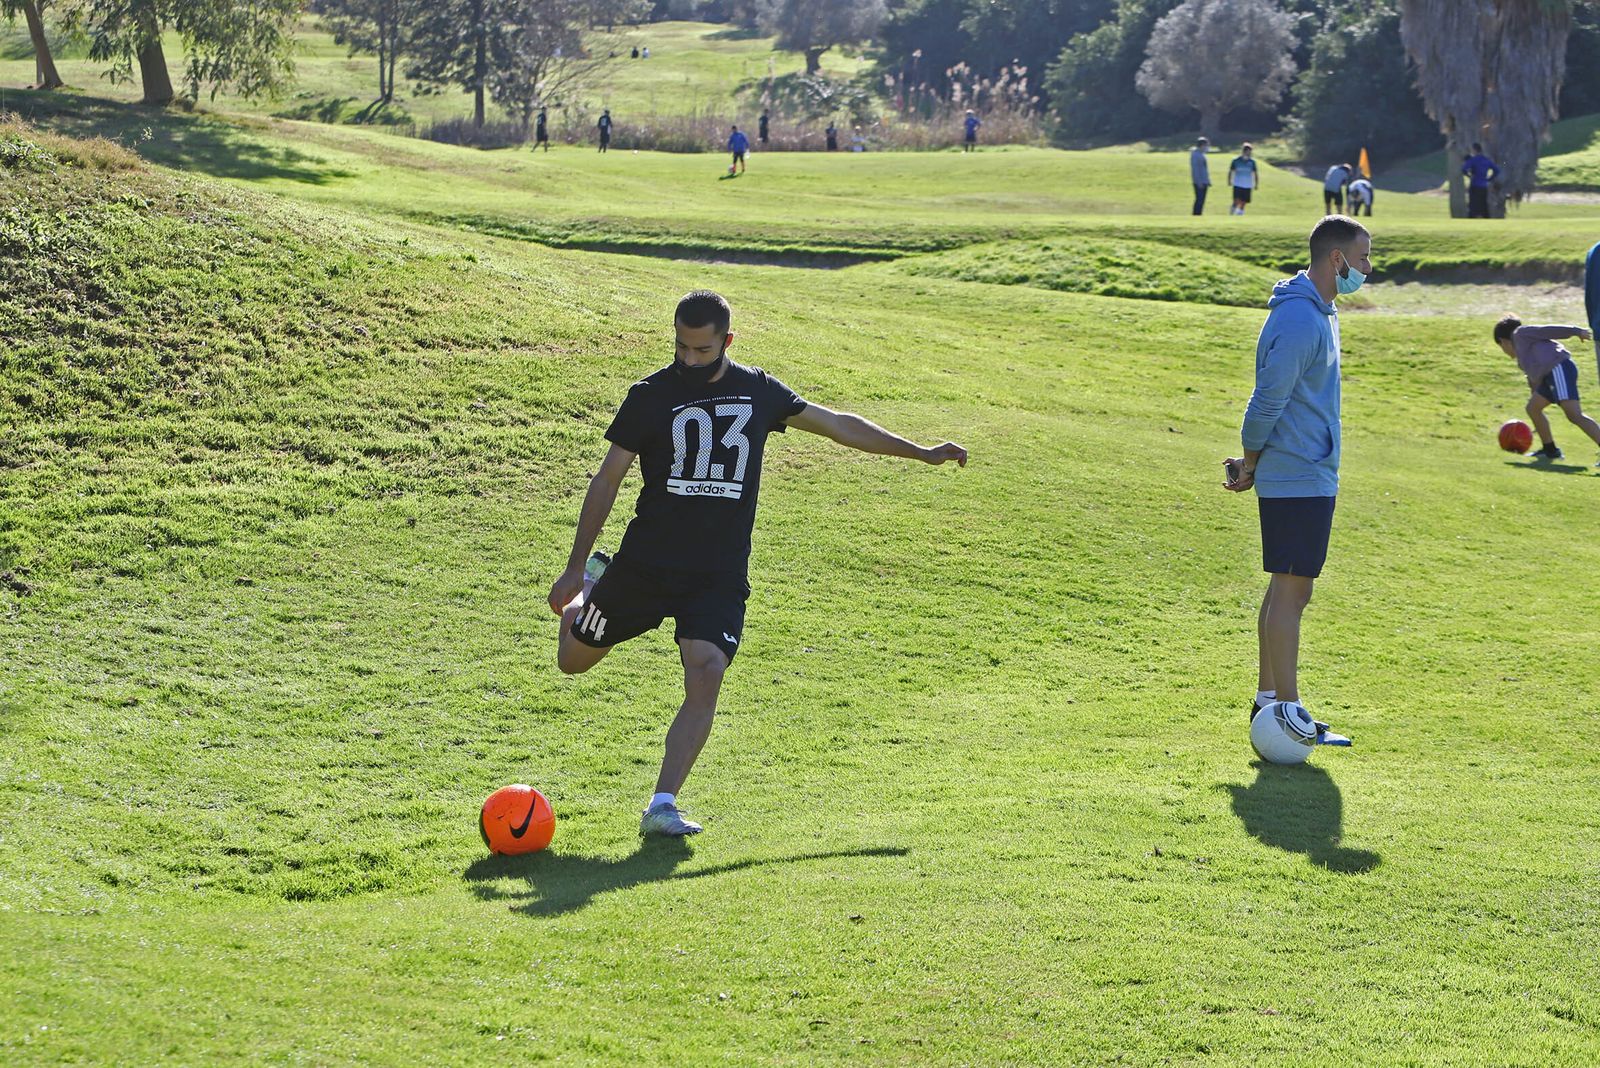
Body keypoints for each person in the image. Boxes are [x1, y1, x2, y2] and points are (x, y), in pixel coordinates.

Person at [547, 291, 968, 836]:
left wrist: (922, 452)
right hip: (646, 565)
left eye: (702, 350)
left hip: (717, 573)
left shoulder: (758, 389)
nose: (689, 359)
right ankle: (590, 591)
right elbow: (608, 479)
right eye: (680, 347)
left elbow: (838, 425)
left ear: (727, 340)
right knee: (572, 662)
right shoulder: (650, 395)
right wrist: (574, 567)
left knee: (707, 671)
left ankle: (662, 806)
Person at [1224, 215, 1371, 737]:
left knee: (1287, 589)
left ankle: (1269, 703)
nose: (1367, 269)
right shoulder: (1300, 320)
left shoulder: (1320, 312)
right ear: (1337, 259)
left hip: (1308, 470)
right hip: (1296, 473)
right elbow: (1266, 402)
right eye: (1363, 258)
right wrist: (1251, 462)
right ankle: (1287, 711)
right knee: (1291, 593)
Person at [1494, 316, 1600, 463]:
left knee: (1574, 414)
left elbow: (1548, 330)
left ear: (1503, 341)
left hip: (1559, 368)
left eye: (1501, 347)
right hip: (1550, 376)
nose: (1504, 351)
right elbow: (1534, 382)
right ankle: (1550, 450)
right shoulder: (1522, 359)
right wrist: (1538, 420)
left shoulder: (1520, 333)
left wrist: (1576, 331)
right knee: (1533, 408)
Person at [1462, 142, 1500, 218]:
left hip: (1474, 185)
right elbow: (1497, 170)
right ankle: (1485, 218)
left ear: (1474, 150)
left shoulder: (1473, 160)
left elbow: (1464, 169)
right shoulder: (1486, 160)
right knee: (1483, 204)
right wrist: (1489, 179)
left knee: (1473, 205)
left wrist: (1469, 176)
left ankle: (1472, 218)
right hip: (1484, 185)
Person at [1228, 143, 1259, 215]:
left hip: (1247, 184)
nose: (1250, 153)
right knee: (1236, 200)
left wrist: (1256, 184)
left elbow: (1255, 173)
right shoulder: (1236, 161)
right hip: (1238, 184)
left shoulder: (1252, 162)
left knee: (1244, 202)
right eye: (1248, 151)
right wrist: (1229, 180)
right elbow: (1231, 171)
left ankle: (1240, 215)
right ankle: (1232, 213)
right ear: (1244, 151)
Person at [1190, 136, 1210, 215]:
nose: (1207, 147)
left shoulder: (1201, 154)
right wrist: (1199, 182)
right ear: (1202, 145)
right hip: (1199, 182)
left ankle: (1199, 214)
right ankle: (1196, 214)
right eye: (1206, 145)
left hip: (1204, 181)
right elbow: (1195, 170)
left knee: (1202, 200)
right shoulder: (1196, 155)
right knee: (1199, 200)